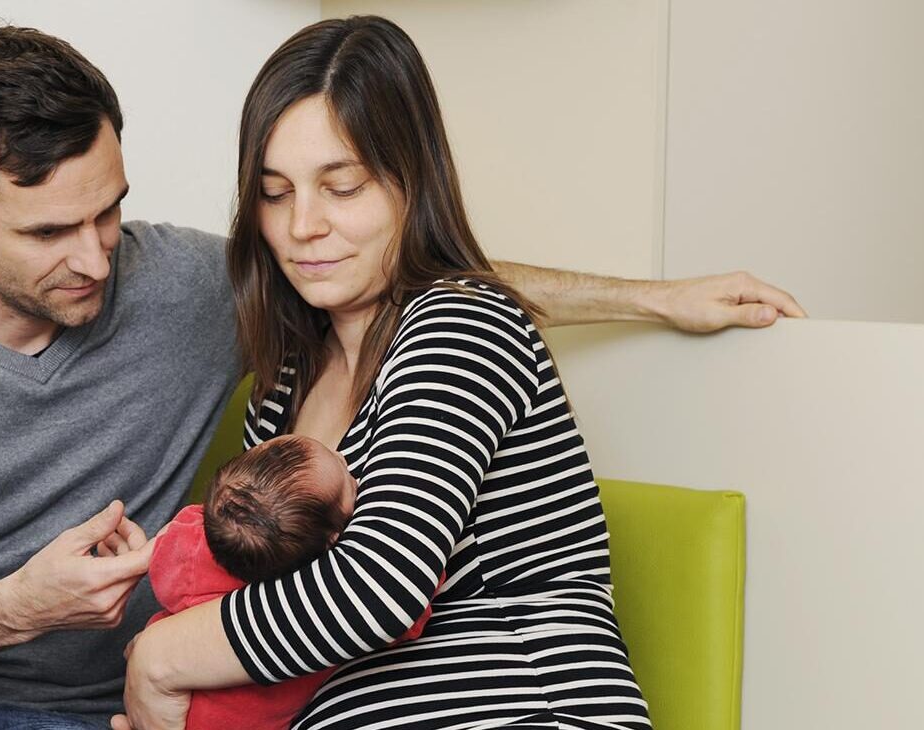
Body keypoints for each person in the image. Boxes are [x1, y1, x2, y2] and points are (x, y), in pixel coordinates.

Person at [0, 23, 801, 728]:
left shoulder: (434, 324)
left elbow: (436, 288)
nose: (97, 258)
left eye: (111, 212)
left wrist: (656, 296)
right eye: (277, 194)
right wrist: (32, 616)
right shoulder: (289, 370)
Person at [117, 16, 654, 729]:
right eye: (276, 193)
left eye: (342, 187)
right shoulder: (284, 385)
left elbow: (379, 584)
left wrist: (160, 658)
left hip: (520, 706)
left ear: (412, 180)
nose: (303, 225)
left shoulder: (461, 325)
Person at [147, 434, 434, 729]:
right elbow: (399, 612)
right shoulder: (325, 610)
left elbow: (168, 544)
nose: (343, 458)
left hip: (161, 699)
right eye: (346, 477)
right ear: (332, 539)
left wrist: (128, 561)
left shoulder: (194, 546)